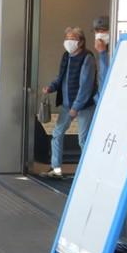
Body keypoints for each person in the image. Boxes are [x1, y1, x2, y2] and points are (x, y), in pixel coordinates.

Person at [39, 27, 98, 180]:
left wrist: (76, 107)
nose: (68, 41)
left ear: (81, 42)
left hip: (84, 106)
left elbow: (86, 86)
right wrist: (51, 87)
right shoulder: (66, 56)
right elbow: (61, 77)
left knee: (83, 140)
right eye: (67, 38)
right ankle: (56, 169)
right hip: (67, 105)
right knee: (57, 134)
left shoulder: (87, 58)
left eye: (73, 38)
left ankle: (88, 172)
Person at [92, 15, 111, 83]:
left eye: (103, 31)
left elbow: (106, 77)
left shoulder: (115, 49)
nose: (99, 34)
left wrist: (103, 52)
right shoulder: (100, 49)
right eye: (97, 31)